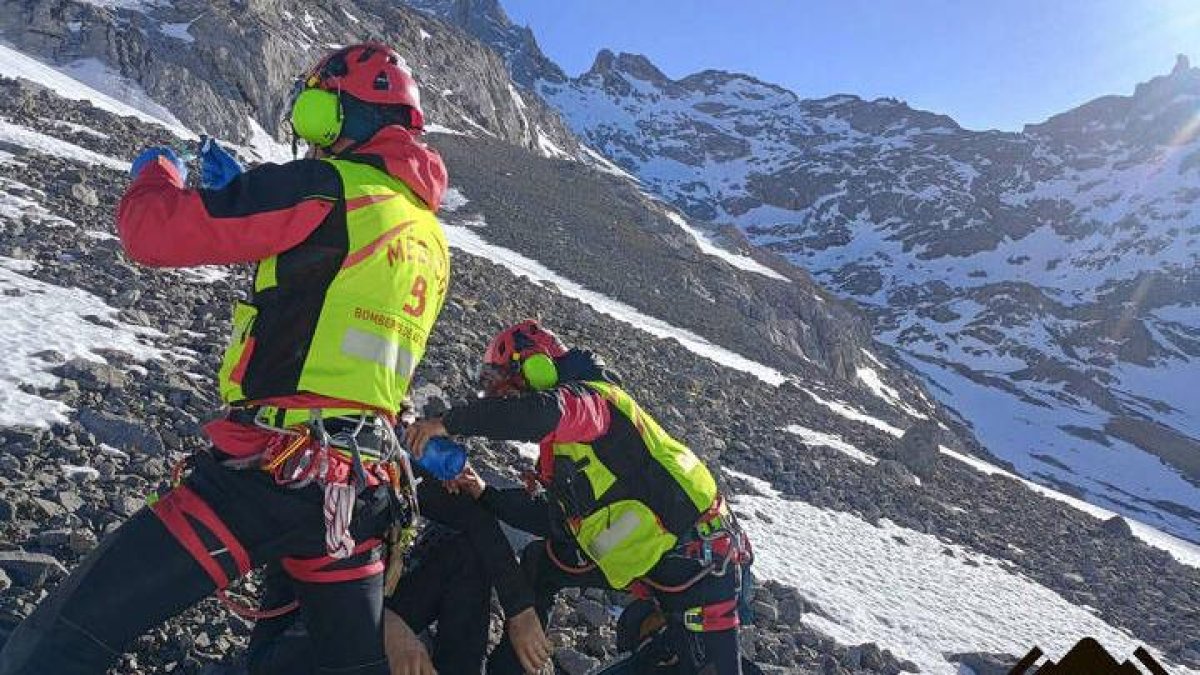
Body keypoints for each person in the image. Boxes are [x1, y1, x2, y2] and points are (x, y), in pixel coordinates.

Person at [0, 42, 451, 675]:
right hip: (357, 491)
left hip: (268, 475)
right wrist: (249, 194)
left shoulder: (324, 186)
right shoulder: (427, 234)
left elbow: (150, 232)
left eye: (316, 111)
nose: (308, 133)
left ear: (342, 115)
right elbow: (328, 288)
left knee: (68, 632)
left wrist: (156, 172)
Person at [408, 321, 753, 675]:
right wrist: (485, 493)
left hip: (702, 566)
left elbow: (539, 413)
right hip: (653, 564)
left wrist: (447, 422)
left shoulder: (592, 402)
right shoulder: (566, 447)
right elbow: (557, 522)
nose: (503, 395)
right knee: (541, 563)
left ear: (538, 368)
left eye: (505, 381)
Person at [246, 463, 554, 675]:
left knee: (465, 551)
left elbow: (473, 520)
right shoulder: (307, 465)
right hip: (302, 633)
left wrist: (520, 609)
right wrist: (382, 628)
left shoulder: (383, 452)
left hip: (372, 613)